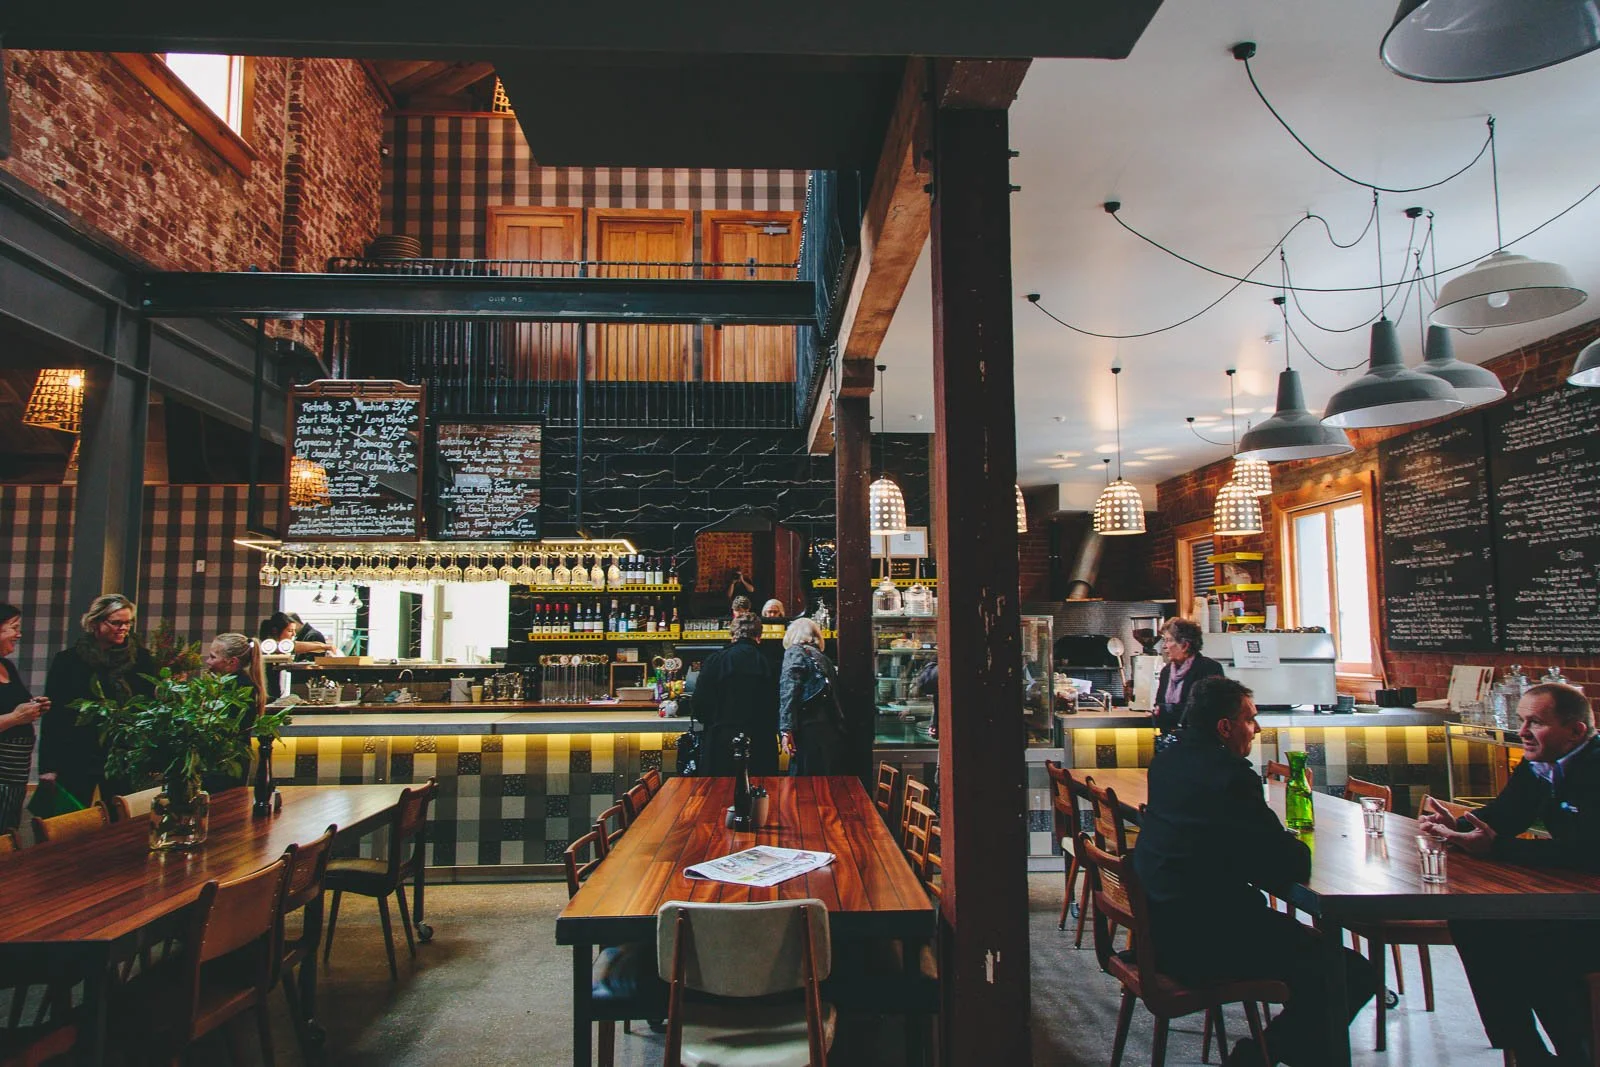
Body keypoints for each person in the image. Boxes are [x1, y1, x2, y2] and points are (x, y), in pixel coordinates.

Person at [1133, 675, 1374, 1067]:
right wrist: (1295, 843)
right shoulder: (1230, 776)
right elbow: (1282, 865)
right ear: (1224, 727)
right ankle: (1256, 1057)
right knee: (1346, 972)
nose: (1257, 728)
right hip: (1205, 940)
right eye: (1250, 719)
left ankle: (1269, 1055)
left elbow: (1240, 853)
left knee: (1323, 965)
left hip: (1161, 929)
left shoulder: (1167, 761)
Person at [1420, 683, 1600, 1065]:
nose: (1522, 732)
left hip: (1591, 908)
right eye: (1522, 720)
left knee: (1533, 942)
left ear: (1576, 732)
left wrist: (1497, 847)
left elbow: (1587, 852)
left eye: (1535, 722)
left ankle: (1575, 1053)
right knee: (1473, 921)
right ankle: (1525, 1050)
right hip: (1575, 901)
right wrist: (1461, 827)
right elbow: (1505, 816)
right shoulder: (1540, 761)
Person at [42, 593, 158, 805]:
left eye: (128, 623)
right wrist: (48, 766)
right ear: (95, 622)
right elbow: (54, 716)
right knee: (70, 821)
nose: (124, 628)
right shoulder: (69, 661)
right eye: (116, 623)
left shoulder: (141, 660)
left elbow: (150, 711)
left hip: (123, 753)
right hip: (77, 753)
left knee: (123, 822)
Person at [692, 612, 779, 775]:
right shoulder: (769, 662)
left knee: (718, 793)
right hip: (761, 741)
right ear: (759, 635)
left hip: (720, 741)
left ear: (732, 634)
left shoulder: (716, 660)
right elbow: (776, 704)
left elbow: (699, 705)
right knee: (760, 793)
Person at [0, 605, 50, 833]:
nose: (19, 634)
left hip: (15, 776)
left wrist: (34, 706)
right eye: (14, 628)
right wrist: (15, 717)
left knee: (8, 834)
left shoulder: (7, 666)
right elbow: (12, 715)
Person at [201, 632, 268, 792]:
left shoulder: (238, 689)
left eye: (213, 657)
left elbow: (221, 727)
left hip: (226, 760)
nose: (208, 661)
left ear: (231, 662)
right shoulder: (242, 683)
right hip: (232, 759)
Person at [779, 618, 846, 775]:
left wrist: (786, 730)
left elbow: (789, 690)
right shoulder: (823, 659)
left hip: (807, 728)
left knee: (804, 783)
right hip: (828, 729)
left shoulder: (795, 652)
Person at [1152, 617, 1225, 737]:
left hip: (1200, 743)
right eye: (1164, 640)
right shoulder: (1166, 671)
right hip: (1170, 742)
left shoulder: (1209, 668)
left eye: (1169, 640)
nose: (1164, 646)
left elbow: (1207, 711)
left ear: (1185, 645)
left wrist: (1168, 710)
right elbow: (1159, 706)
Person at [259, 611, 330, 659]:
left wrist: (323, 646)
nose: (293, 634)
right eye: (290, 630)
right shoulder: (270, 645)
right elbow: (294, 646)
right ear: (275, 631)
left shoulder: (312, 635)